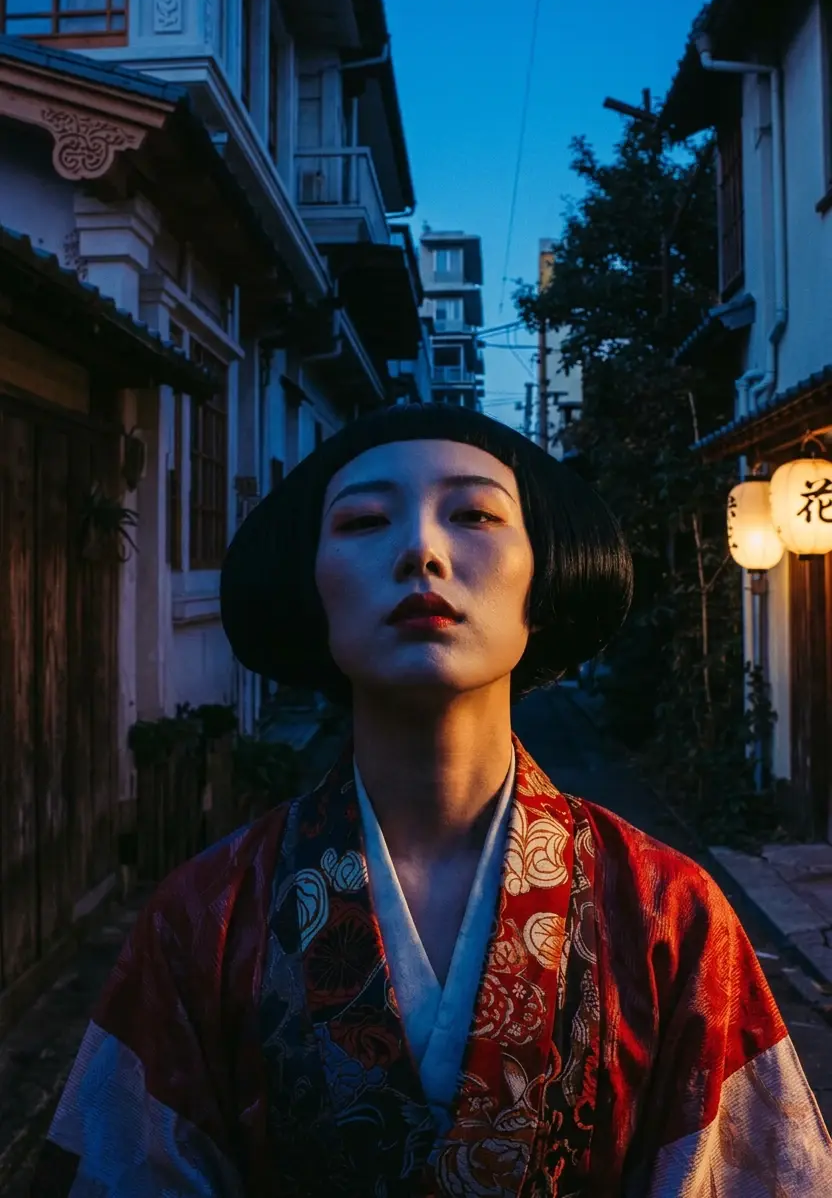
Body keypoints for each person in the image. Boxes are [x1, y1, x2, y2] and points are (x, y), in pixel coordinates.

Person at [32, 403, 831, 1196]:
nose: (421, 549)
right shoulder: (200, 919)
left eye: (475, 514)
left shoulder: (668, 912)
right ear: (311, 586)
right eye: (364, 521)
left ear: (542, 577)